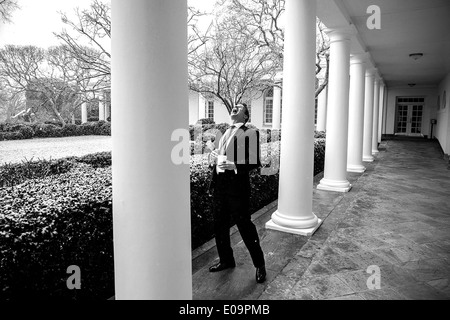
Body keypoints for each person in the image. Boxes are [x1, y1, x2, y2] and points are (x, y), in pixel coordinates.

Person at [207, 103, 266, 283]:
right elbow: (221, 155)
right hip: (220, 186)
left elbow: (255, 161)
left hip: (237, 189)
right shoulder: (225, 132)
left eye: (239, 107)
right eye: (234, 106)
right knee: (219, 225)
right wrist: (213, 157)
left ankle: (260, 265)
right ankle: (226, 260)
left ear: (246, 116)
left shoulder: (250, 132)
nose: (235, 107)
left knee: (245, 227)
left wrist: (235, 166)